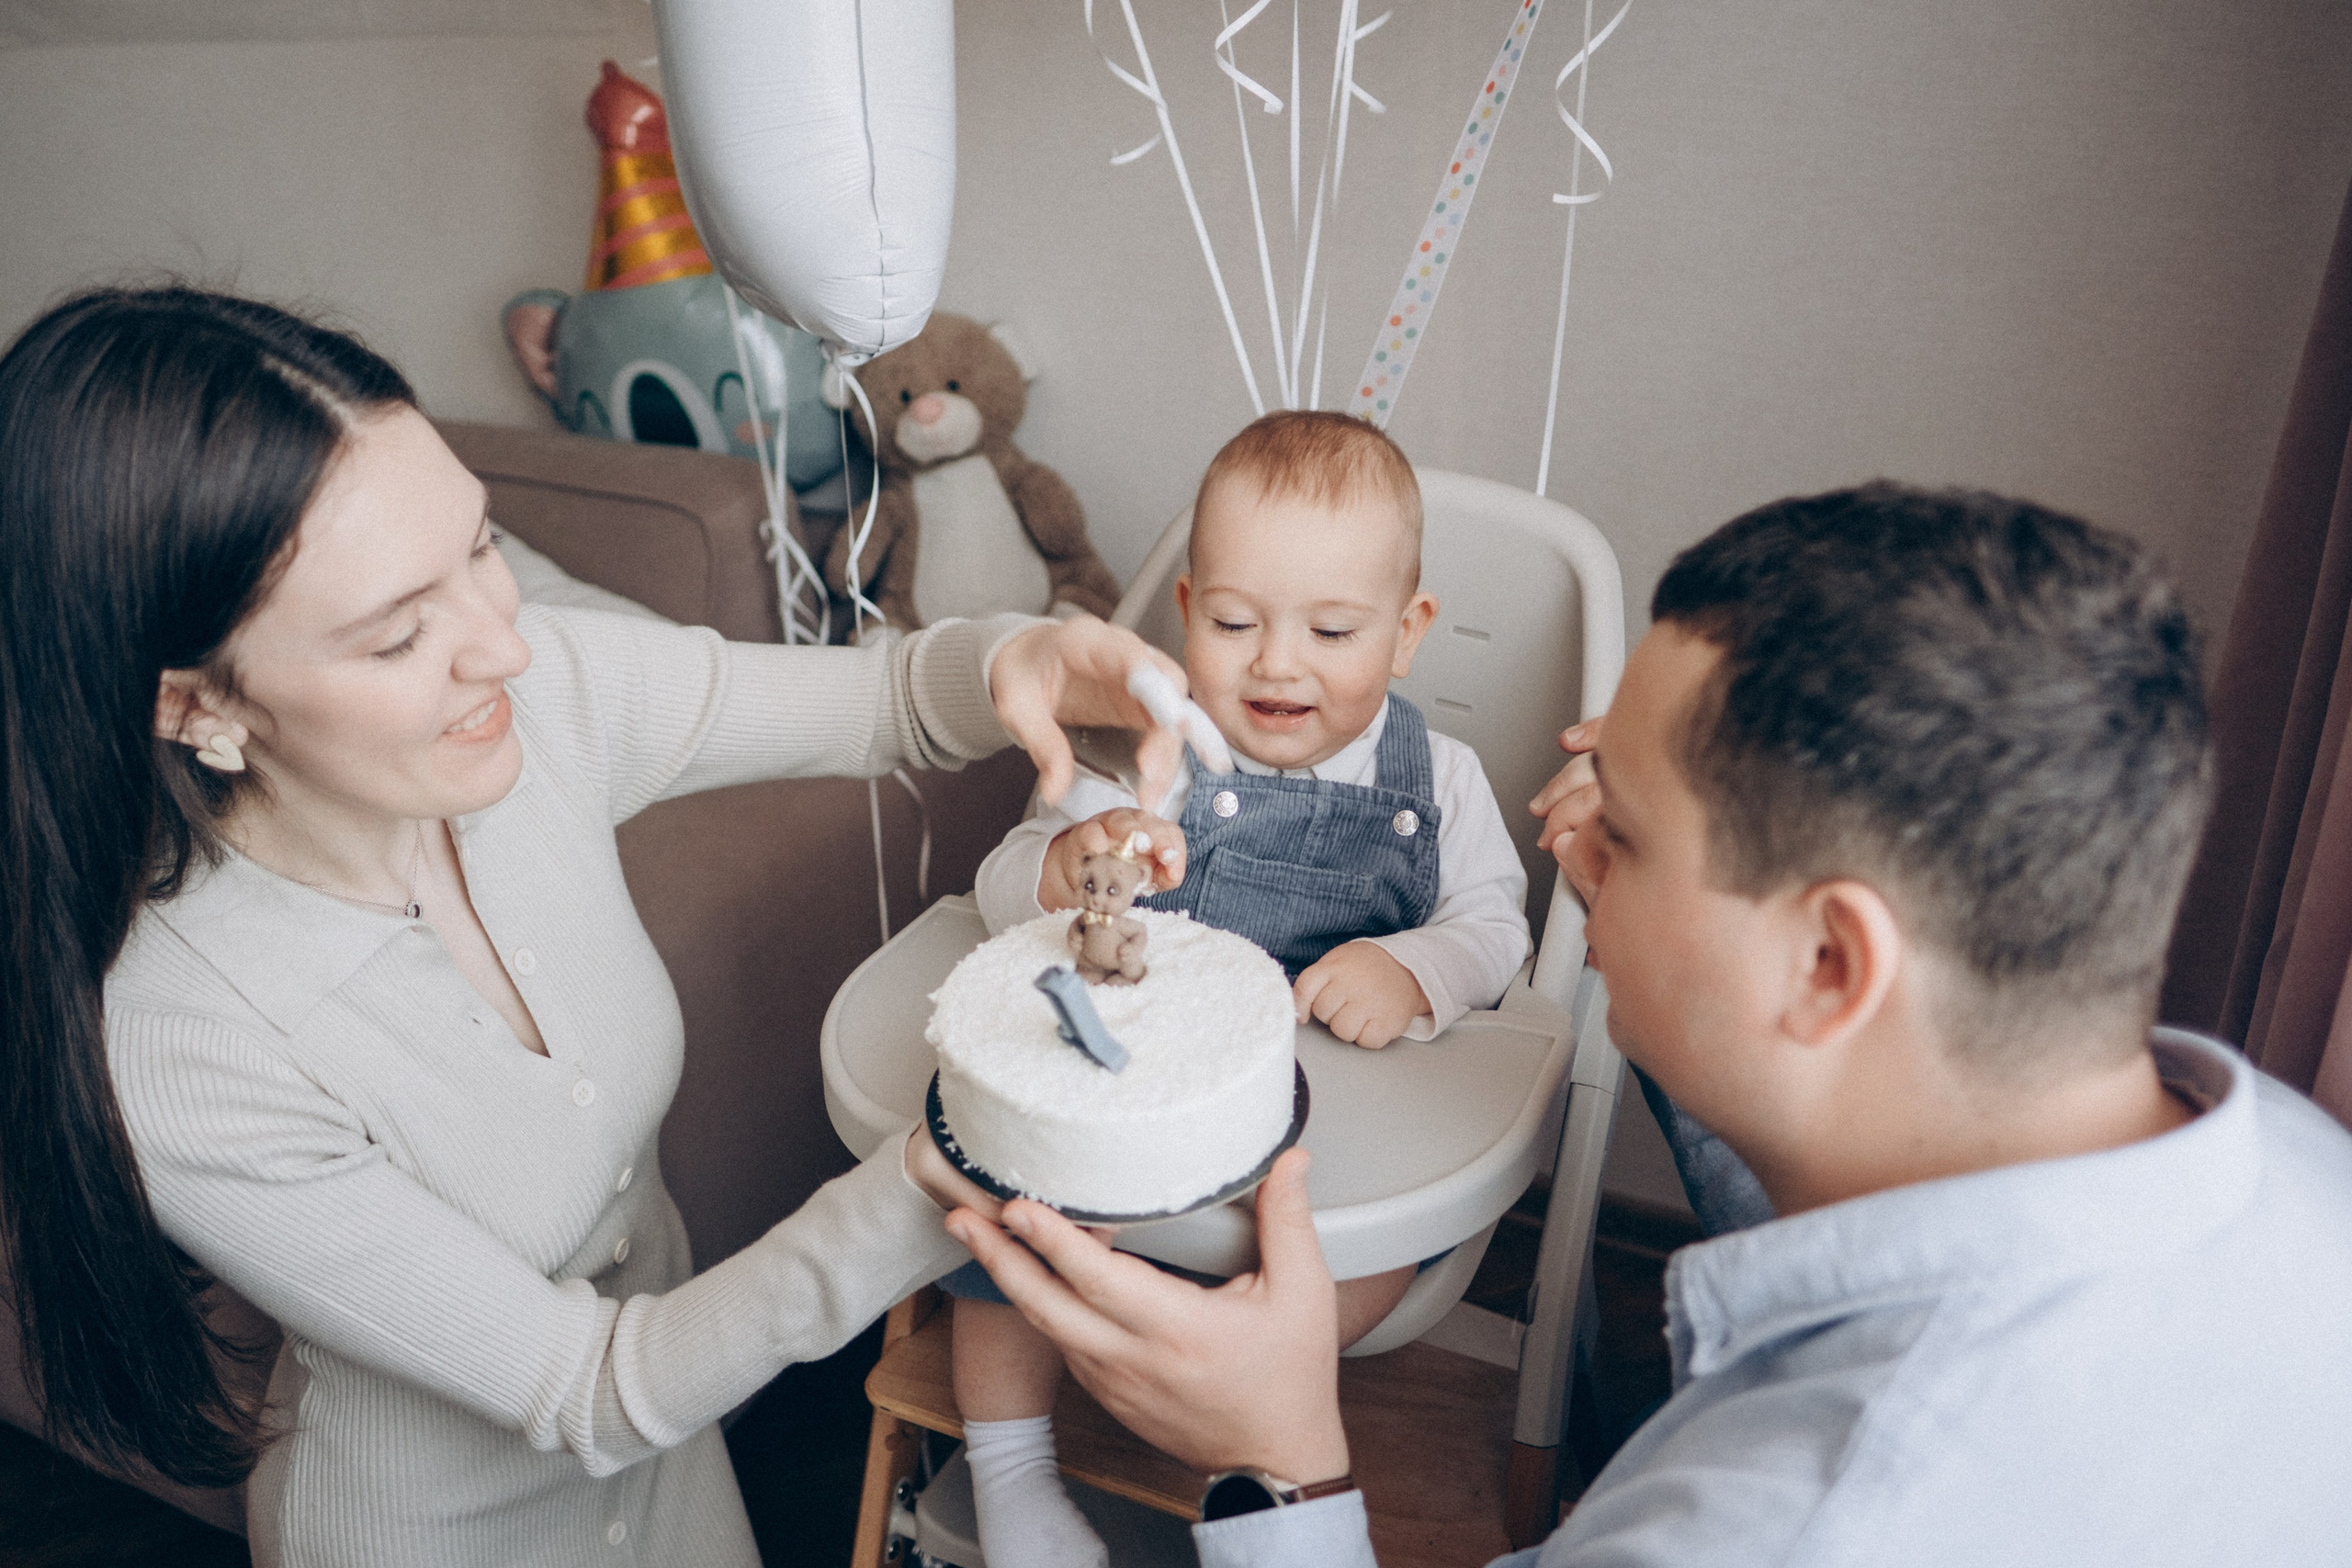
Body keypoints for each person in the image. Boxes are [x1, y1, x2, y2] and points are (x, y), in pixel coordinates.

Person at [0, 286, 1191, 1568]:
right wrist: (943, 1167)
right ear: (197, 706)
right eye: (399, 636)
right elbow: (588, 1389)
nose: (504, 648)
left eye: (479, 548)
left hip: (678, 1474)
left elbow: (889, 697)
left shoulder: (543, 693)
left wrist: (1022, 659)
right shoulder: (181, 1041)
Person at [947, 482, 2352, 1564]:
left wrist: (1284, 1465)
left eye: (1618, 828)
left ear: (1828, 961)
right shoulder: (2298, 1173)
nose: (1572, 850)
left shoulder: (1790, 1521)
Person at [951, 410, 1531, 1568]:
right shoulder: (1145, 755)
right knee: (998, 1217)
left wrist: (1414, 968)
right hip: (1133, 1107)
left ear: (1407, 633)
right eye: (1232, 622)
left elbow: (1497, 928)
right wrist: (1063, 867)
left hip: (1331, 1143)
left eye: (1332, 629)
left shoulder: (1441, 779)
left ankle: (1233, 1416)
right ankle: (1008, 1478)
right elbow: (998, 888)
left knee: (1369, 1257)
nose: (1276, 662)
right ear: (1184, 614)